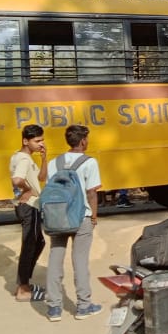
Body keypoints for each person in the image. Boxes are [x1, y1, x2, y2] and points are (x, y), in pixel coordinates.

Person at [45, 124, 102, 322]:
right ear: (83, 141)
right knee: (80, 261)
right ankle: (83, 306)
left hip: (57, 217)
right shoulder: (89, 162)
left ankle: (54, 308)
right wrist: (94, 215)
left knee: (54, 259)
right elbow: (92, 193)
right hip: (81, 217)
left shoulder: (55, 162)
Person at [10, 124, 48, 302]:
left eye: (42, 140)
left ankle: (24, 283)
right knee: (30, 245)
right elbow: (17, 179)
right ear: (26, 141)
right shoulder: (24, 159)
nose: (41, 143)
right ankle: (23, 289)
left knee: (38, 242)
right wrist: (27, 190)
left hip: (29, 206)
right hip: (29, 207)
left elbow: (40, 178)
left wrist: (44, 159)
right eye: (37, 140)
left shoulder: (21, 157)